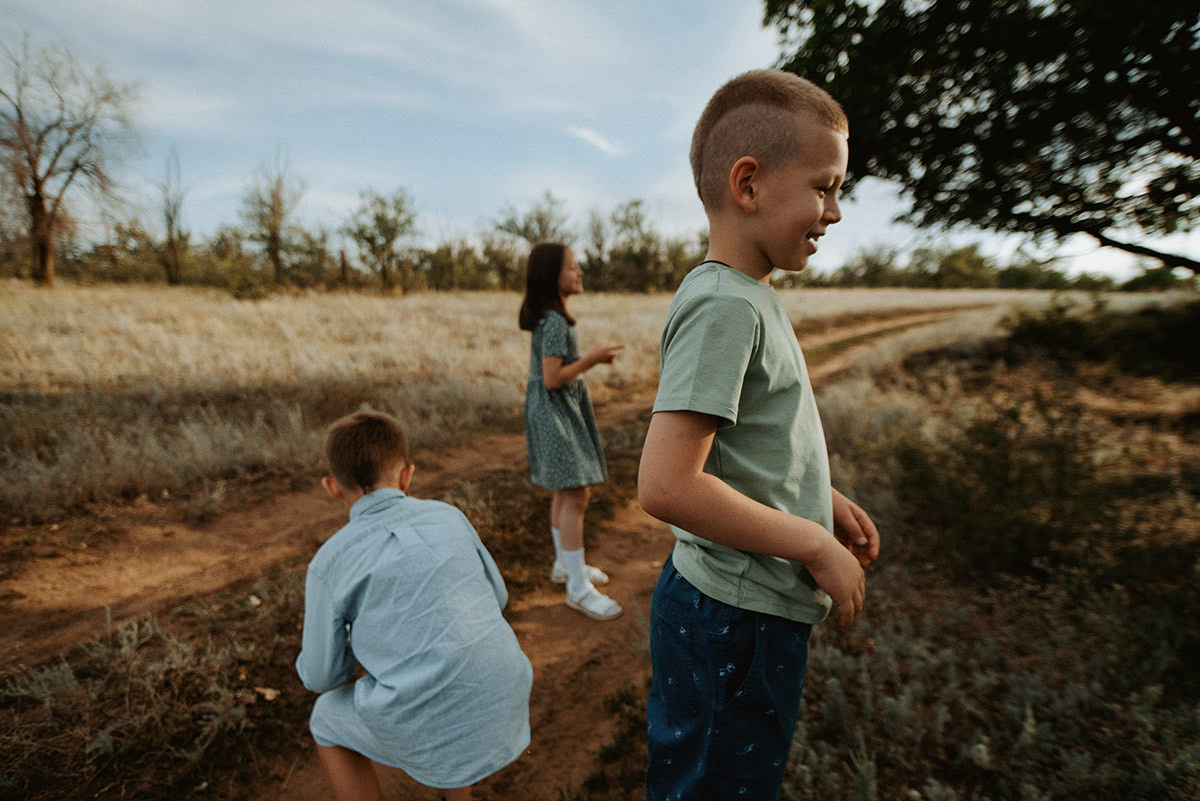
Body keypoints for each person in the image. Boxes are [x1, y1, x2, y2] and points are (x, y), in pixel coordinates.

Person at [637, 69, 882, 800]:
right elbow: (667, 484)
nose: (835, 211)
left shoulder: (747, 296)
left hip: (741, 611)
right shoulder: (725, 307)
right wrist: (811, 542)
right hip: (732, 620)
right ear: (749, 184)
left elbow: (746, 446)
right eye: (825, 186)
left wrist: (820, 498)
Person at [296, 410, 532, 801]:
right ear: (407, 475)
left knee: (325, 719)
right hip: (506, 691)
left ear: (332, 487)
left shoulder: (329, 563)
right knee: (440, 669)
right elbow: (499, 597)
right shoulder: (449, 516)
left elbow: (323, 677)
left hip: (437, 716)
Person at [519, 241, 624, 621]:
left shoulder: (551, 320)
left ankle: (565, 566)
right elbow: (551, 379)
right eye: (572, 267)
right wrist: (592, 359)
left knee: (565, 490)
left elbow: (553, 372)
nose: (579, 272)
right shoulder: (553, 322)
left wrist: (588, 359)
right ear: (552, 276)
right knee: (576, 492)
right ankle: (578, 589)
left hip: (554, 412)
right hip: (554, 413)